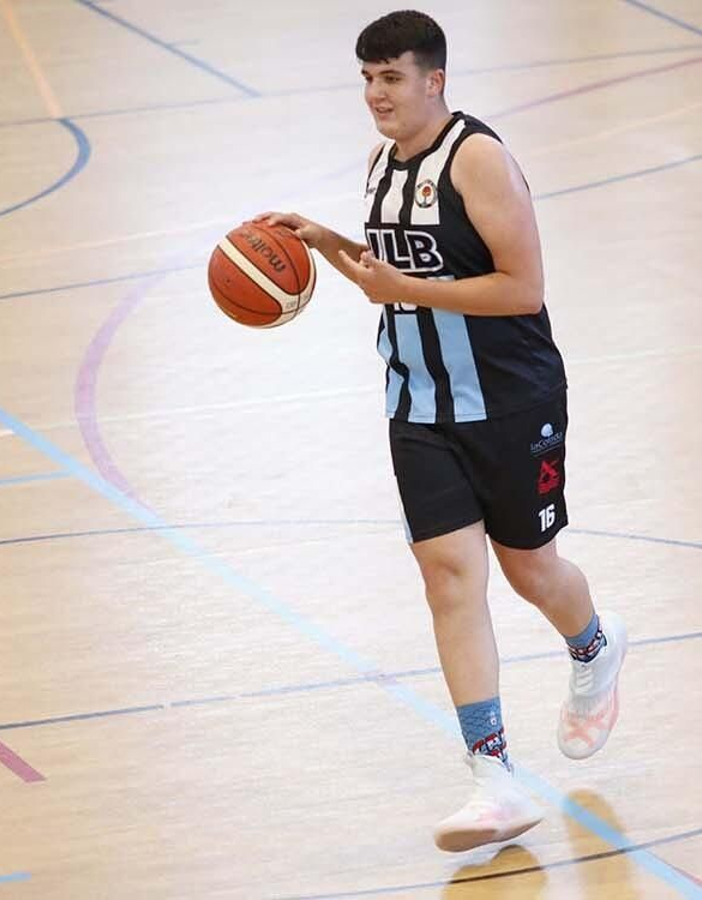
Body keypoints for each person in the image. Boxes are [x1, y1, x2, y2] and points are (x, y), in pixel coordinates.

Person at [255, 10, 626, 853]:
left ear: (435, 80)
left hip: (508, 396)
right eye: (366, 79)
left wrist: (403, 287)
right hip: (418, 404)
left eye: (390, 77)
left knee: (530, 570)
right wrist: (330, 244)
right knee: (450, 578)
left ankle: (596, 647)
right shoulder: (383, 166)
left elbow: (522, 288)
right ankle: (492, 775)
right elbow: (394, 280)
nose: (375, 95)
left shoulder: (478, 158)